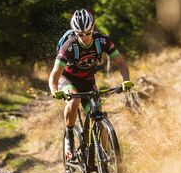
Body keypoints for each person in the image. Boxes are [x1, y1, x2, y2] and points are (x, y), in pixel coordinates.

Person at [49, 9, 134, 162]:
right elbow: (55, 73)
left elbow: (121, 62)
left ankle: (107, 156)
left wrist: (126, 80)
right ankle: (69, 138)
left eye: (88, 33)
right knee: (74, 101)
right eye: (80, 34)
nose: (85, 38)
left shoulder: (102, 41)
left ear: (93, 28)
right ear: (75, 33)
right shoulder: (69, 46)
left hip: (88, 80)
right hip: (67, 79)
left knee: (97, 113)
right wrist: (54, 90)